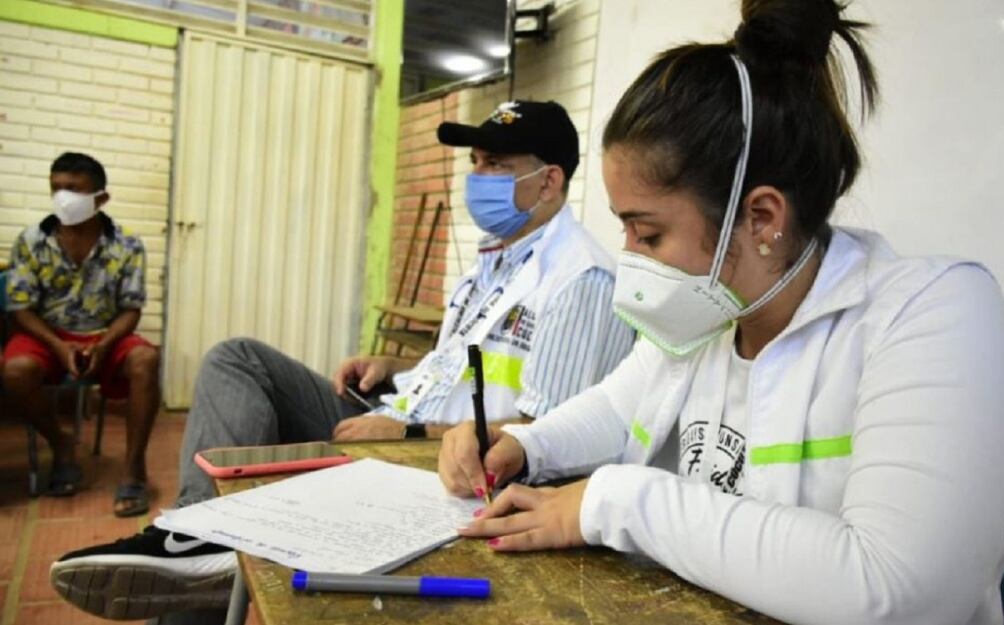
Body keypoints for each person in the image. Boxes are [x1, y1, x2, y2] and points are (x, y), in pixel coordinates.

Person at [439, 2, 1004, 624]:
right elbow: (619, 407)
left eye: (650, 233)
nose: (633, 259)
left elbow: (899, 592)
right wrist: (526, 446)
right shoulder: (710, 315)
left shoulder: (933, 314)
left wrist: (617, 501)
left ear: (761, 218)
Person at [50, 100, 635, 622]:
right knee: (239, 361)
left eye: (496, 166)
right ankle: (201, 536)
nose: (476, 178)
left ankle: (198, 541)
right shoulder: (498, 257)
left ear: (549, 180)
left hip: (436, 458)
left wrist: (406, 428)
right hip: (397, 411)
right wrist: (395, 366)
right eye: (475, 162)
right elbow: (466, 361)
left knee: (236, 380)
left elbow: (546, 443)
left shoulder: (579, 280)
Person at [3, 152, 160, 517]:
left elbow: (131, 308)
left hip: (106, 334)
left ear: (100, 198)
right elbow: (20, 308)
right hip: (48, 334)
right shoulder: (31, 241)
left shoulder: (127, 245)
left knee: (146, 360)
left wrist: (104, 346)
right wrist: (59, 346)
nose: (62, 197)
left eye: (73, 189)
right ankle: (62, 447)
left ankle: (134, 467)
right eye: (56, 187)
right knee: (15, 371)